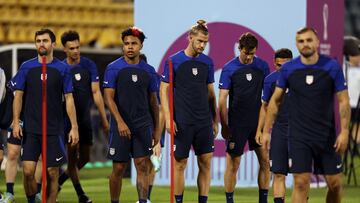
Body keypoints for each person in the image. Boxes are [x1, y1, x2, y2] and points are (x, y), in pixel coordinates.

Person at [262, 27, 350, 203]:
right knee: (300, 183)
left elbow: (343, 101)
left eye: (309, 40)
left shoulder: (331, 67)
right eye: (301, 41)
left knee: (335, 184)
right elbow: (275, 101)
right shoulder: (289, 69)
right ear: (297, 44)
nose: (305, 44)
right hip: (299, 136)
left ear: (317, 42)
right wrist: (266, 131)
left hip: (326, 135)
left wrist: (345, 131)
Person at [10, 28, 79, 203]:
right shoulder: (26, 67)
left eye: (45, 41)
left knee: (52, 172)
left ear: (53, 44)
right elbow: (18, 95)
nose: (41, 44)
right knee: (27, 171)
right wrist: (16, 122)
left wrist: (74, 127)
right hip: (31, 129)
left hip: (54, 129)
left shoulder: (62, 69)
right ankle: (32, 200)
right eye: (38, 41)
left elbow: (69, 99)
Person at [160, 20, 218, 203]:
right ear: (190, 37)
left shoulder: (207, 62)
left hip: (203, 122)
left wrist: (214, 120)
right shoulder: (173, 61)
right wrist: (169, 119)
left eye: (205, 42)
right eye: (200, 41)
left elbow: (211, 94)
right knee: (180, 164)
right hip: (182, 122)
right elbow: (163, 90)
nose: (202, 45)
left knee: (206, 163)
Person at [104, 27, 160, 203]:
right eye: (126, 44)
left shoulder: (149, 71)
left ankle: (143, 201)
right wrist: (120, 122)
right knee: (119, 168)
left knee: (142, 166)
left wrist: (157, 129)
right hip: (120, 126)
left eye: (133, 44)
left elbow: (153, 102)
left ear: (141, 46)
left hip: (143, 125)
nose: (129, 47)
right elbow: (108, 98)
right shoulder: (113, 68)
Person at [58, 30, 109, 203]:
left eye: (78, 47)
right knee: (72, 160)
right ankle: (81, 195)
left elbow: (96, 92)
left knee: (85, 158)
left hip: (85, 119)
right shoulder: (61, 68)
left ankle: (59, 181)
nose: (76, 51)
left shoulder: (89, 65)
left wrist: (103, 118)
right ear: (64, 49)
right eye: (71, 48)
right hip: (68, 121)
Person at [218, 32, 270, 203]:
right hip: (237, 124)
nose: (248, 57)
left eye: (252, 53)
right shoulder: (229, 68)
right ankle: (229, 201)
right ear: (239, 49)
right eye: (245, 53)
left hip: (257, 124)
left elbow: (268, 98)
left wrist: (265, 125)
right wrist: (225, 126)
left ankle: (263, 200)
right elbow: (222, 99)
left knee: (264, 161)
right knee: (233, 164)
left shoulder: (262, 66)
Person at [255, 48, 293, 203]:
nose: (282, 69)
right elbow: (265, 107)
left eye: (286, 66)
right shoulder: (270, 80)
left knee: (300, 176)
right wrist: (261, 130)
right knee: (278, 174)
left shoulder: (301, 78)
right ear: (274, 63)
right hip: (279, 131)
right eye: (278, 66)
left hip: (300, 131)